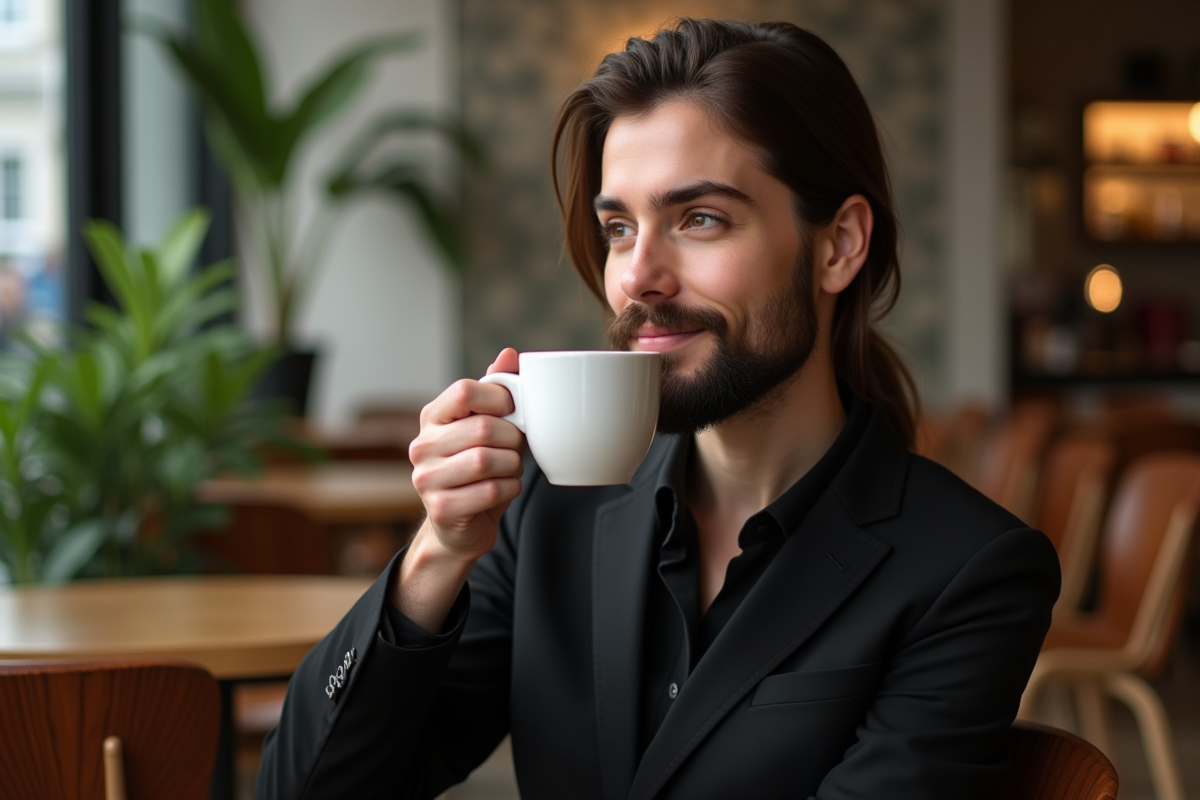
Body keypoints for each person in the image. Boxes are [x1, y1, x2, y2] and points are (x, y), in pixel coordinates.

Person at [257, 18, 1059, 799]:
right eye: (618, 227)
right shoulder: (546, 511)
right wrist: (437, 553)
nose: (637, 276)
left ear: (839, 245)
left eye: (700, 219)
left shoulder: (968, 571)